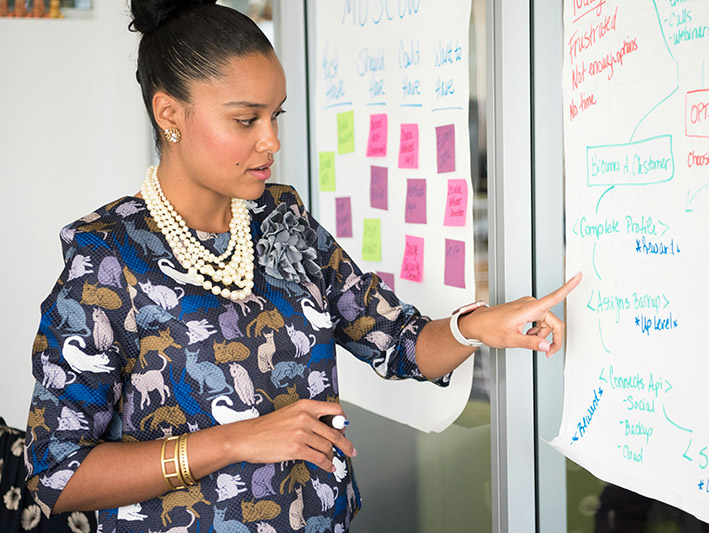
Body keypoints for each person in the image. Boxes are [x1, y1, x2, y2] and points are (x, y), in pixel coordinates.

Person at [23, 1, 581, 532]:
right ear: (170, 114)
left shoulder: (281, 220)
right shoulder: (107, 258)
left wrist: (478, 327)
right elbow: (57, 474)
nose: (271, 140)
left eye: (276, 115)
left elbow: (397, 343)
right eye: (246, 119)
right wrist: (235, 440)